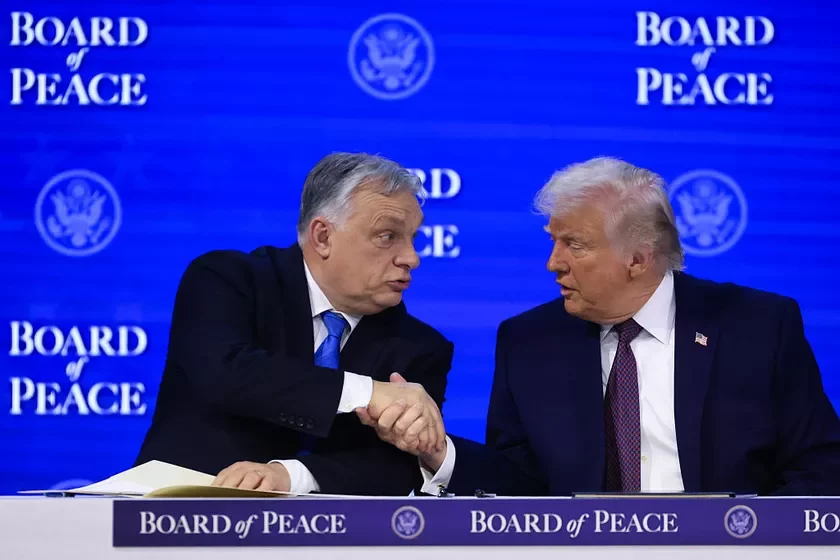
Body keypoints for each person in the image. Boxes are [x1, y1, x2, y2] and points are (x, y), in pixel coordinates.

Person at [362, 156, 840, 496]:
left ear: (638, 259)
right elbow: (515, 483)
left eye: (574, 245)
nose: (553, 263)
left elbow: (819, 465)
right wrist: (438, 451)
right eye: (554, 242)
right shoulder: (529, 341)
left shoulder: (755, 327)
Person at [135, 152, 453, 496]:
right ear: (323, 237)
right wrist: (368, 392)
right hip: (183, 511)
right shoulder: (227, 280)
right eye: (387, 236)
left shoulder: (420, 346)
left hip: (331, 529)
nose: (412, 258)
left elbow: (397, 464)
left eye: (413, 238)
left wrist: (292, 476)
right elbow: (227, 372)